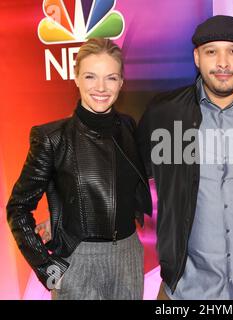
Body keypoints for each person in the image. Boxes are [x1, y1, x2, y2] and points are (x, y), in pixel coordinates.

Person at [137, 15, 233, 300]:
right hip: (184, 291)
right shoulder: (164, 114)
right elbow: (125, 173)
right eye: (212, 51)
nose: (223, 63)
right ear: (197, 58)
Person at [7, 38, 152, 300]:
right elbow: (17, 209)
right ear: (76, 78)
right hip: (78, 261)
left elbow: (123, 185)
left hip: (129, 255)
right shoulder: (52, 137)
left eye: (110, 78)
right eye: (90, 76)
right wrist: (48, 269)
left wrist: (61, 215)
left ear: (121, 82)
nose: (100, 87)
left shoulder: (129, 127)